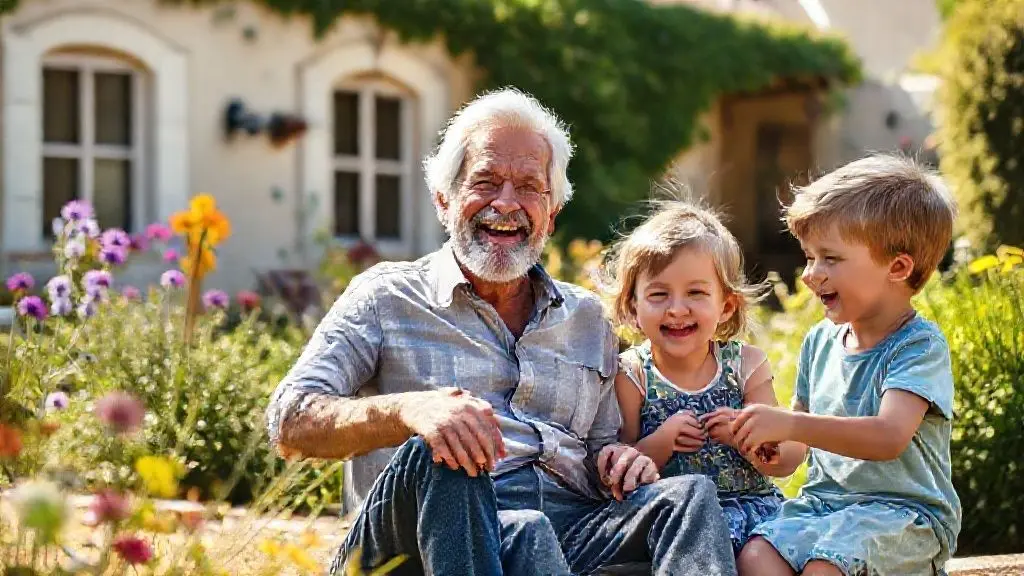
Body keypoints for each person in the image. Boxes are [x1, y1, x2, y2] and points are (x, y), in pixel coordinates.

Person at [265, 87, 738, 576]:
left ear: (551, 213)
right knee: (445, 447)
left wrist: (619, 459)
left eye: (529, 187)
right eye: (486, 181)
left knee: (687, 498)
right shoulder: (386, 297)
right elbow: (289, 422)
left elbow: (600, 448)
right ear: (443, 199)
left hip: (568, 529)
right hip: (424, 536)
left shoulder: (586, 317)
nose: (506, 203)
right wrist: (409, 410)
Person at [733, 154, 962, 575]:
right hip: (826, 506)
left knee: (826, 568)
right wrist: (767, 447)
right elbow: (796, 450)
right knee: (755, 557)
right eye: (808, 257)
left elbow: (888, 437)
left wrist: (790, 425)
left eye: (830, 259)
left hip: (903, 516)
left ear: (898, 267)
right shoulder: (820, 341)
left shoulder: (917, 346)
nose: (809, 274)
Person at [604, 200, 805, 555]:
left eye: (696, 293)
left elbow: (786, 459)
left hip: (756, 511)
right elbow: (622, 465)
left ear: (726, 305)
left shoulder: (745, 365)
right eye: (658, 294)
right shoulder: (631, 374)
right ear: (633, 306)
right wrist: (663, 442)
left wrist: (745, 436)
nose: (677, 309)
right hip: (676, 520)